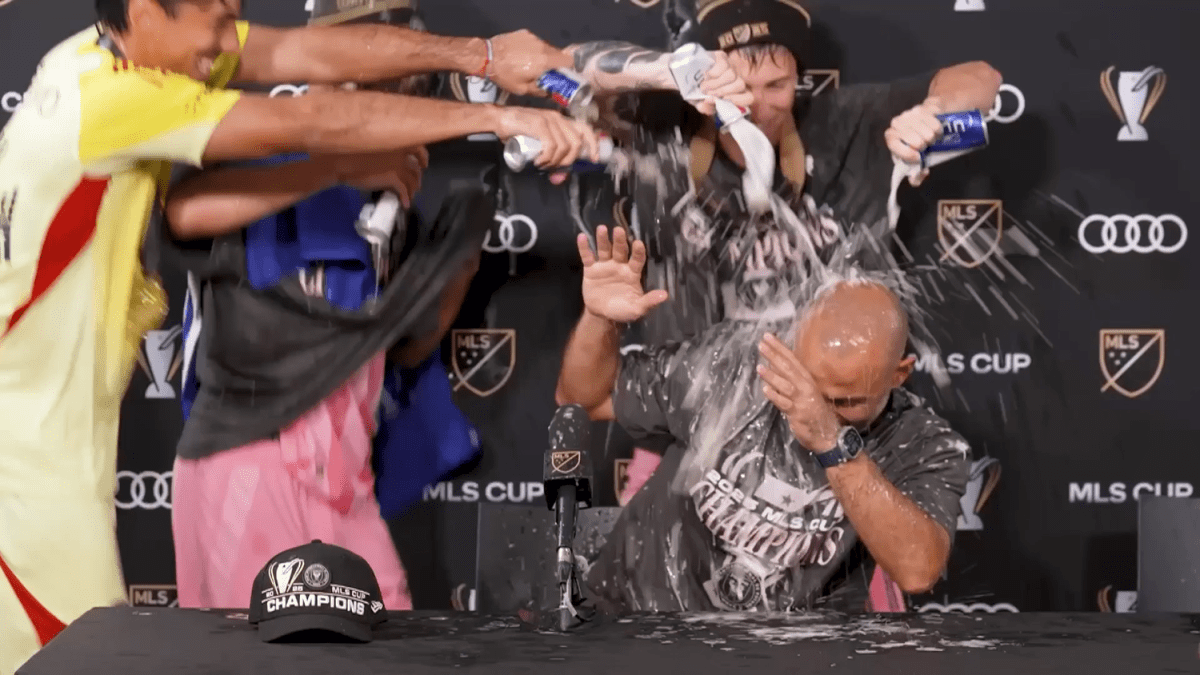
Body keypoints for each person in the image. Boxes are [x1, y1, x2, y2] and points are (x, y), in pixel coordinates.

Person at [0, 0, 600, 671]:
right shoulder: (112, 99)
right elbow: (309, 118)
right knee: (79, 659)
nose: (229, 45)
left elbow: (293, 53)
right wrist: (499, 115)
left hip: (86, 442)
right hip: (36, 459)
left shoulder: (99, 57)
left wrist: (483, 57)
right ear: (145, 11)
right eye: (215, 24)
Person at [562, 0, 1001, 503]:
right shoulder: (662, 130)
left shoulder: (845, 122)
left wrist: (932, 113)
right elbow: (566, 70)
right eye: (738, 87)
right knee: (652, 549)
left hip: (832, 437)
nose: (757, 105)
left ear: (799, 79)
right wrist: (665, 71)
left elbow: (981, 78)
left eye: (777, 85)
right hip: (690, 428)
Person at [164, 0, 489, 613]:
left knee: (383, 636)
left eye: (411, 74)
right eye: (379, 65)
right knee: (251, 653)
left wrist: (450, 277)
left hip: (345, 478)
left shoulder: (393, 203)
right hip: (256, 461)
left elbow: (398, 354)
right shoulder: (268, 162)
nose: (405, 90)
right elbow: (182, 213)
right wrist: (336, 162)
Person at [556, 225, 972, 612]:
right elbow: (583, 398)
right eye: (805, 385)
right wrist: (599, 320)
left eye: (845, 402)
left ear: (899, 374)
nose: (812, 408)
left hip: (779, 646)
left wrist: (832, 443)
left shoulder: (921, 442)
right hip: (636, 617)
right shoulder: (731, 368)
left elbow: (917, 570)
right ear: (793, 345)